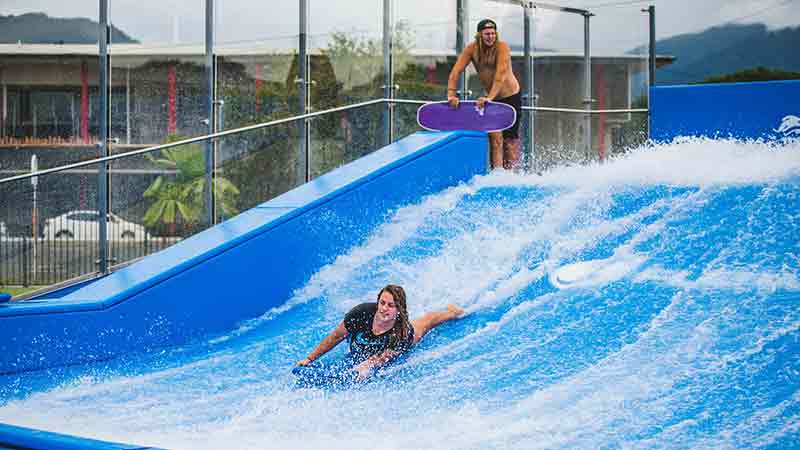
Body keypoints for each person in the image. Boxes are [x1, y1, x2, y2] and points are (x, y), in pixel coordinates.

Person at [296, 284, 465, 380]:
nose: (384, 309)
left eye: (391, 305)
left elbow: (385, 356)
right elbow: (336, 336)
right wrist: (310, 358)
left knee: (428, 322)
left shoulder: (403, 332)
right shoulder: (360, 314)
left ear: (399, 309)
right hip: (363, 348)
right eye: (382, 303)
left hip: (399, 343)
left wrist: (367, 366)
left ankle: (452, 312)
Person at [446, 18, 522, 170]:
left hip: (510, 96)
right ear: (479, 35)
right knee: (495, 138)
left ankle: (513, 175)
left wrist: (489, 98)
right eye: (487, 34)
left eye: (493, 33)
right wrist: (451, 94)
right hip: (492, 99)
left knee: (509, 140)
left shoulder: (502, 47)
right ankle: (497, 174)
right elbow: (456, 71)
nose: (491, 37)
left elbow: (500, 75)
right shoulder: (471, 49)